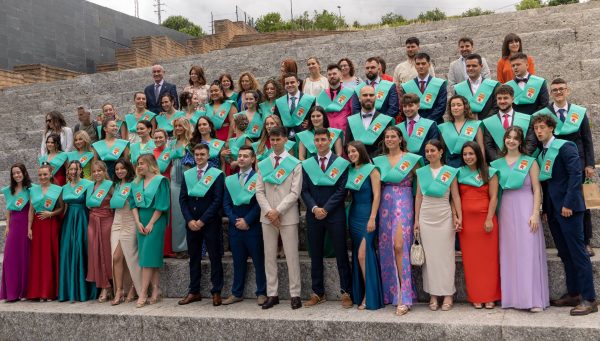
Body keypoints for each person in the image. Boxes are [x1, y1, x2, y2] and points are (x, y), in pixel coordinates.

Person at [532, 115, 597, 316]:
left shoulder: (565, 146)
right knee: (565, 253)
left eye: (542, 127)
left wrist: (568, 203)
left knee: (578, 252)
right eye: (536, 128)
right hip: (553, 210)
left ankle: (590, 298)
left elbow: (575, 174)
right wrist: (545, 209)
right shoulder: (540, 152)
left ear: (552, 128)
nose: (539, 131)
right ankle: (574, 293)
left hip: (569, 208)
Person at [534, 78, 596, 256]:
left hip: (578, 163)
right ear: (551, 94)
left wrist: (590, 163)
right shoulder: (546, 115)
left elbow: (587, 138)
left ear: (567, 91)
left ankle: (585, 241)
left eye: (562, 89)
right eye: (555, 90)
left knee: (581, 203)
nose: (559, 92)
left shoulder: (578, 112)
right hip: (554, 163)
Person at [490, 127, 549, 312]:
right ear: (504, 140)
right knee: (509, 253)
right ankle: (513, 298)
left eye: (516, 138)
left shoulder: (530, 162)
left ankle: (533, 299)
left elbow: (537, 189)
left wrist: (535, 213)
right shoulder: (496, 164)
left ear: (521, 141)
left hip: (526, 208)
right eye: (509, 137)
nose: (512, 141)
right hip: (506, 209)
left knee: (527, 252)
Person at [301, 128, 353, 309]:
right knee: (315, 254)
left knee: (341, 253)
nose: (320, 143)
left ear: (330, 140)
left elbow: (342, 190)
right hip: (314, 213)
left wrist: (326, 209)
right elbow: (304, 190)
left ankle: (346, 291)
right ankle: (318, 292)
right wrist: (315, 208)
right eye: (317, 140)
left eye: (323, 139)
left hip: (335, 214)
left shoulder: (340, 163)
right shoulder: (308, 164)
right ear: (313, 142)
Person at [373, 127, 421, 315]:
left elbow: (422, 185)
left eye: (394, 136)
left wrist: (419, 215)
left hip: (405, 200)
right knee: (387, 248)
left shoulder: (411, 160)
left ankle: (404, 295)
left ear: (401, 139)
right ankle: (393, 292)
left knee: (400, 246)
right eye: (387, 137)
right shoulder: (378, 161)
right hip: (386, 202)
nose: (390, 139)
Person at [255, 126, 303, 310]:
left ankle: (295, 294)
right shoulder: (263, 163)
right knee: (269, 257)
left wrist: (278, 211)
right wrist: (269, 211)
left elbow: (294, 192)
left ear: (285, 140)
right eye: (272, 140)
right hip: (267, 217)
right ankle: (272, 294)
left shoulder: (295, 163)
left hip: (287, 216)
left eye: (278, 139)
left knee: (292, 256)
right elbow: (259, 191)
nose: (274, 143)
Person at [414, 139, 461, 311]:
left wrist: (458, 216)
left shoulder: (449, 172)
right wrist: (416, 220)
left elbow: (455, 196)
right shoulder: (421, 172)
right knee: (431, 259)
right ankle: (433, 295)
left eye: (433, 150)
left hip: (444, 215)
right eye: (427, 151)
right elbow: (418, 196)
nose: (429, 154)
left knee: (446, 257)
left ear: (441, 152)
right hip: (426, 216)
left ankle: (448, 294)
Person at [178, 144, 225, 306]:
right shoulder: (188, 174)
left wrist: (202, 220)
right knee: (194, 257)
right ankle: (194, 291)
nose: (199, 157)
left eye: (202, 154)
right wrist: (190, 219)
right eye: (196, 154)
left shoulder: (217, 174)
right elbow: (182, 199)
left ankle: (216, 291)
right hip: (191, 223)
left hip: (210, 222)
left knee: (214, 256)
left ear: (208, 155)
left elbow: (218, 200)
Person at [222, 146, 267, 306]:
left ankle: (261, 292)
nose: (241, 159)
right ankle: (236, 292)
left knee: (258, 261)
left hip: (253, 226)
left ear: (253, 159)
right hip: (235, 226)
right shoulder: (230, 179)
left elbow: (259, 203)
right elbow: (226, 204)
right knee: (238, 261)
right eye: (239, 156)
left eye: (245, 156)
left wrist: (247, 221)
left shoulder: (258, 178)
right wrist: (235, 221)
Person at [457, 142, 500, 309]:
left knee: (489, 260)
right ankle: (476, 295)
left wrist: (489, 218)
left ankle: (490, 296)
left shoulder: (490, 172)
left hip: (485, 221)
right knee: (471, 261)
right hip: (467, 224)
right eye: (465, 154)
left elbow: (494, 197)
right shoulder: (458, 173)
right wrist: (457, 217)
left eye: (471, 154)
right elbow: (455, 198)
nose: (468, 157)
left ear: (478, 155)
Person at [345, 141, 384, 311]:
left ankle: (370, 295)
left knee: (363, 254)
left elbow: (377, 195)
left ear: (361, 151)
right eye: (349, 152)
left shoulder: (372, 169)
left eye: (354, 151)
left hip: (368, 214)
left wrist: (373, 218)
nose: (351, 154)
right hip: (353, 214)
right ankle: (360, 293)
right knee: (358, 255)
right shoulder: (350, 170)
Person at [130, 154, 170, 308]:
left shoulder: (161, 181)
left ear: (150, 164)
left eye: (142, 163)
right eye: (138, 164)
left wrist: (151, 223)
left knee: (147, 258)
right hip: (141, 221)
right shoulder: (136, 183)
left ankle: (142, 293)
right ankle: (155, 290)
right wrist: (138, 221)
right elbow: (133, 204)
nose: (139, 166)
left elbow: (161, 204)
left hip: (155, 221)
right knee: (149, 257)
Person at [58, 160, 97, 302]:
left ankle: (85, 290)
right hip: (69, 221)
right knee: (68, 252)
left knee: (83, 250)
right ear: (67, 171)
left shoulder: (88, 184)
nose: (73, 172)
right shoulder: (64, 187)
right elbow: (62, 207)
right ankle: (69, 290)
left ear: (81, 170)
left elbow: (91, 204)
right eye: (70, 169)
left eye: (76, 169)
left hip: (83, 218)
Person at [26, 164, 64, 301]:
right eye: (40, 175)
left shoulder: (57, 189)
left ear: (50, 174)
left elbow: (62, 208)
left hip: (51, 224)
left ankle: (49, 292)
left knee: (49, 256)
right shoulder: (33, 190)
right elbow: (31, 210)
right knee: (38, 258)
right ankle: (37, 291)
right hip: (37, 226)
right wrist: (29, 227)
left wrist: (51, 213)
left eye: (45, 174)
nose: (42, 177)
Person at [109, 158, 142, 305]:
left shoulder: (135, 184)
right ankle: (119, 290)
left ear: (128, 169)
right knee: (116, 257)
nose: (119, 171)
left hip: (130, 221)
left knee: (131, 256)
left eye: (122, 168)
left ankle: (135, 287)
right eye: (117, 169)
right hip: (117, 221)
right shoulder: (115, 186)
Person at [0, 163, 32, 302]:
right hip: (14, 224)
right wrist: (7, 225)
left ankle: (24, 291)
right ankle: (11, 292)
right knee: (10, 257)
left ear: (24, 173)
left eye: (19, 172)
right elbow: (8, 208)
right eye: (14, 173)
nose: (17, 175)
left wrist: (30, 227)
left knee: (24, 256)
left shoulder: (30, 189)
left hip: (25, 223)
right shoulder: (9, 190)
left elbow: (32, 209)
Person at [482, 85, 537, 162]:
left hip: (521, 162)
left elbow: (531, 142)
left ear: (512, 99)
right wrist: (499, 162)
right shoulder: (489, 121)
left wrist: (520, 159)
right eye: (499, 98)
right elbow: (488, 145)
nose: (502, 101)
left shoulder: (526, 119)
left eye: (505, 98)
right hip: (499, 164)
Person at [85, 160, 114, 303]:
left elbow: (116, 204)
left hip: (106, 222)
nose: (97, 173)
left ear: (104, 171)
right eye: (94, 171)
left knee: (106, 254)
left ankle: (107, 286)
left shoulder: (110, 186)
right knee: (95, 253)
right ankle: (103, 285)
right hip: (92, 222)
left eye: (99, 171)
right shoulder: (90, 187)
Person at [346, 86, 394, 158]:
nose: (368, 97)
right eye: (365, 95)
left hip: (379, 162)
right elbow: (347, 144)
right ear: (359, 98)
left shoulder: (385, 120)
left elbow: (388, 144)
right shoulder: (351, 120)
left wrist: (370, 159)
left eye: (371, 95)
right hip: (357, 163)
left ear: (375, 97)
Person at [438, 95, 485, 167]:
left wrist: (482, 166)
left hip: (471, 165)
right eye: (453, 105)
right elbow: (442, 151)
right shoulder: (443, 127)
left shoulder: (475, 125)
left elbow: (481, 148)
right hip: (450, 166)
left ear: (465, 107)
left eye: (459, 105)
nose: (455, 108)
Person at [400, 53, 447, 124]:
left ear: (429, 64)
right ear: (414, 65)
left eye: (423, 63)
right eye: (418, 64)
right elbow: (405, 108)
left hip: (435, 123)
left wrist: (426, 123)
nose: (420, 66)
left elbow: (441, 107)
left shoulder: (439, 83)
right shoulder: (407, 86)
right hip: (414, 124)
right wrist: (417, 122)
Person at [169, 118, 193, 257]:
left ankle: (190, 246)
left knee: (189, 213)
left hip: (188, 176)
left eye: (180, 125)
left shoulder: (191, 142)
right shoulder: (171, 143)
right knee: (177, 215)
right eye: (176, 125)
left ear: (186, 127)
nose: (178, 128)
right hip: (174, 178)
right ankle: (179, 247)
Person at [452, 53, 499, 120]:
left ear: (481, 66)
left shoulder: (493, 85)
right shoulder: (459, 88)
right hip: (468, 125)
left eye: (474, 66)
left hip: (489, 124)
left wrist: (485, 122)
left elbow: (496, 107)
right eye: (468, 66)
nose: (470, 68)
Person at [316, 64, 358, 133]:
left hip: (344, 132)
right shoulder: (322, 95)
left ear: (340, 75)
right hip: (326, 133)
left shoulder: (349, 93)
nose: (332, 76)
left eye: (334, 74)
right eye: (329, 74)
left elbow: (353, 114)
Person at [396, 94, 439, 161]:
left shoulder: (430, 125)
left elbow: (434, 149)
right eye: (405, 106)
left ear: (418, 106)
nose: (407, 109)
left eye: (410, 105)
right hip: (403, 167)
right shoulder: (398, 128)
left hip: (424, 165)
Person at [274, 73, 316, 138]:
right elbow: (276, 120)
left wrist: (310, 123)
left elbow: (315, 117)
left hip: (305, 136)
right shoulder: (279, 102)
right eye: (287, 83)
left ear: (298, 83)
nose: (289, 85)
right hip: (286, 137)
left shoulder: (310, 100)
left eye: (292, 82)